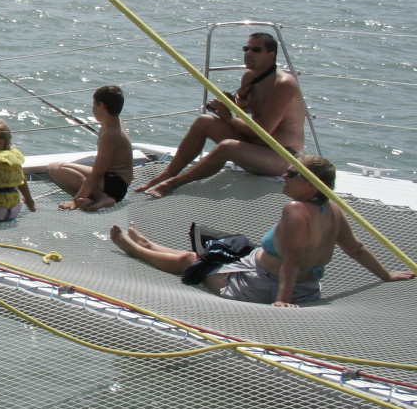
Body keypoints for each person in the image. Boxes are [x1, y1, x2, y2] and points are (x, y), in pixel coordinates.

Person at [108, 155, 415, 307]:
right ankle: (149, 242)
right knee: (212, 251)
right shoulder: (332, 209)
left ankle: (135, 249)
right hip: (283, 276)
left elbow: (291, 261)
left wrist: (281, 301)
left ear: (311, 184)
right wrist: (385, 275)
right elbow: (356, 248)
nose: (284, 175)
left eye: (292, 174)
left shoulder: (295, 210)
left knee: (193, 261)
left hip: (264, 285)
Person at [135, 32, 308, 198]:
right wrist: (228, 104)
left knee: (228, 147)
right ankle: (168, 173)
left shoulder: (283, 84)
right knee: (204, 121)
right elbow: (246, 107)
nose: (248, 53)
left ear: (271, 55)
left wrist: (228, 117)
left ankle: (174, 183)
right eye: (246, 49)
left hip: (280, 156)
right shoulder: (249, 77)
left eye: (256, 50)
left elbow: (263, 131)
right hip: (254, 146)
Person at [44, 85, 135, 211]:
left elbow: (97, 174)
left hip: (115, 184)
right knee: (53, 168)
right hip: (116, 180)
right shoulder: (114, 121)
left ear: (102, 106)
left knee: (56, 170)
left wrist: (74, 202)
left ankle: (101, 198)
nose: (92, 108)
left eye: (94, 104)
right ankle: (92, 198)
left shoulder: (110, 135)